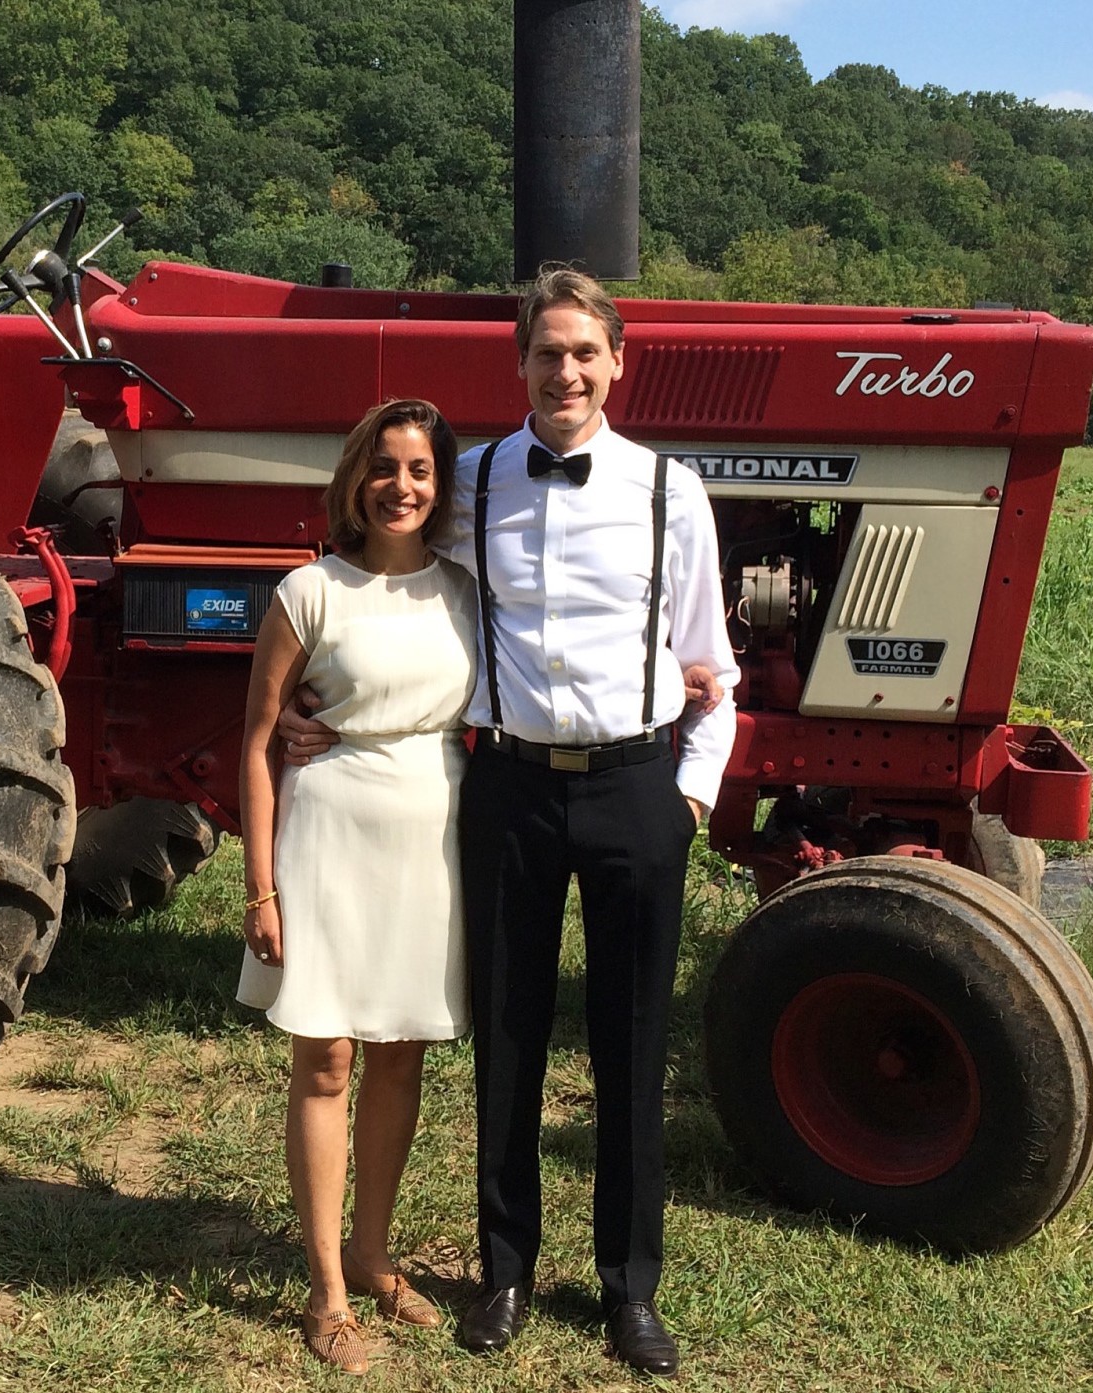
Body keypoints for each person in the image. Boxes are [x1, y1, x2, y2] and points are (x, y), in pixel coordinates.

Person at [280, 266, 739, 1377]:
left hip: (637, 791)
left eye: (586, 351)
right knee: (509, 1040)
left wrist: (689, 797)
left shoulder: (675, 492)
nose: (566, 370)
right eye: (547, 352)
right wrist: (315, 700)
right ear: (520, 364)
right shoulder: (471, 479)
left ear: (618, 362)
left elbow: (715, 667)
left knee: (631, 1043)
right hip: (512, 790)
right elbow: (378, 574)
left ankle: (629, 1290)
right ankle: (505, 1271)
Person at [236, 398, 479, 1375]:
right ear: (356, 477)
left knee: (404, 1051)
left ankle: (376, 1253)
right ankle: (327, 1288)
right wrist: (259, 889)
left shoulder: (465, 592)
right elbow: (257, 740)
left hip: (433, 835)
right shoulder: (309, 592)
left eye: (420, 470)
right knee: (328, 1054)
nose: (402, 486)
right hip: (329, 830)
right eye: (385, 466)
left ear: (440, 485)